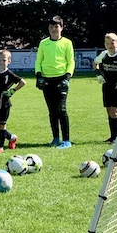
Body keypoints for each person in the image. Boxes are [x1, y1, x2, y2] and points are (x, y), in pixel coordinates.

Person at [35, 16, 75, 149]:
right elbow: (38, 61)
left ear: (61, 28)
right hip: (46, 80)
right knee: (52, 111)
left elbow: (71, 61)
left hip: (61, 79)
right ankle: (56, 138)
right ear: (48, 28)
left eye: (56, 27)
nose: (53, 29)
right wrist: (39, 76)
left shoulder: (67, 43)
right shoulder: (43, 43)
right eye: (51, 27)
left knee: (61, 110)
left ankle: (67, 140)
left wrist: (67, 77)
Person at [0, 49, 25, 154]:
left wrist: (13, 90)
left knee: (2, 125)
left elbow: (22, 82)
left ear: (9, 61)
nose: (1, 62)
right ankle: (11, 137)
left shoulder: (10, 74)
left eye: (4, 60)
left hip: (5, 104)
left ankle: (0, 146)